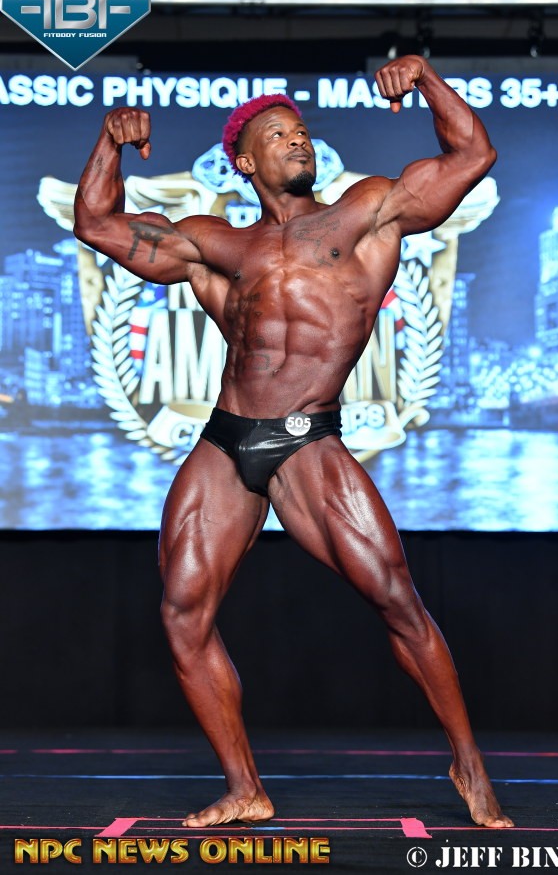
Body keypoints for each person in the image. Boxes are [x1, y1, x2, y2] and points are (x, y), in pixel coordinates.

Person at [74, 55, 513, 829]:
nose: (297, 140)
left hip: (310, 440)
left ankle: (468, 763)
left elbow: (472, 155)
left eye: (301, 131)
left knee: (398, 601)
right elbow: (98, 225)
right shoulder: (216, 244)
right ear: (245, 162)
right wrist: (109, 142)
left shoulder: (365, 212)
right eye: (278, 135)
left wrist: (425, 79)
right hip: (225, 442)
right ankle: (245, 787)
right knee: (182, 614)